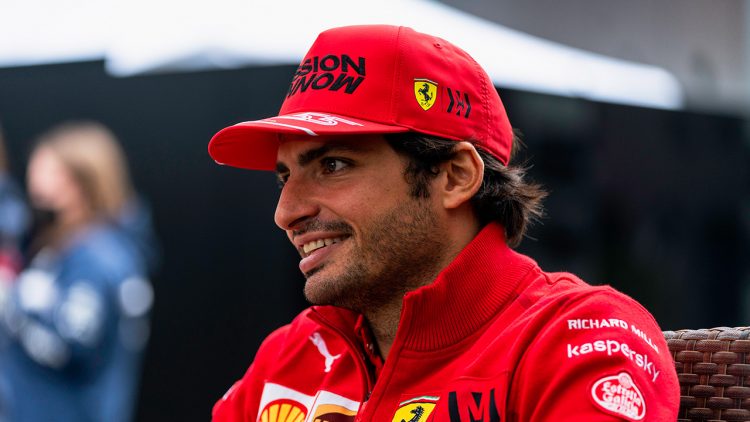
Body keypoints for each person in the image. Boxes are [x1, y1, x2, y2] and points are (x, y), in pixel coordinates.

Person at [208, 25, 679, 421]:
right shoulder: (290, 354)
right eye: (285, 177)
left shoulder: (578, 337)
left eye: (333, 165)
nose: (286, 213)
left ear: (455, 176)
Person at [0, 122, 155, 422]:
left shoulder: (97, 255)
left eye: (47, 169)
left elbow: (74, 346)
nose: (33, 178)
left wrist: (13, 303)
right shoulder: (72, 243)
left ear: (78, 179)